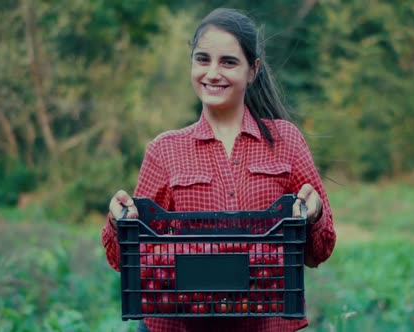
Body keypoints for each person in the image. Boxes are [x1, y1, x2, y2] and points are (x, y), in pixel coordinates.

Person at [102, 8, 336, 332]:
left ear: (252, 70)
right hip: (180, 324)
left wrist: (315, 214)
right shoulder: (165, 149)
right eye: (203, 60)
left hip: (264, 323)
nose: (213, 73)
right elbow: (125, 260)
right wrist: (119, 222)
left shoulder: (285, 140)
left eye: (228, 62)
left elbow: (318, 252)